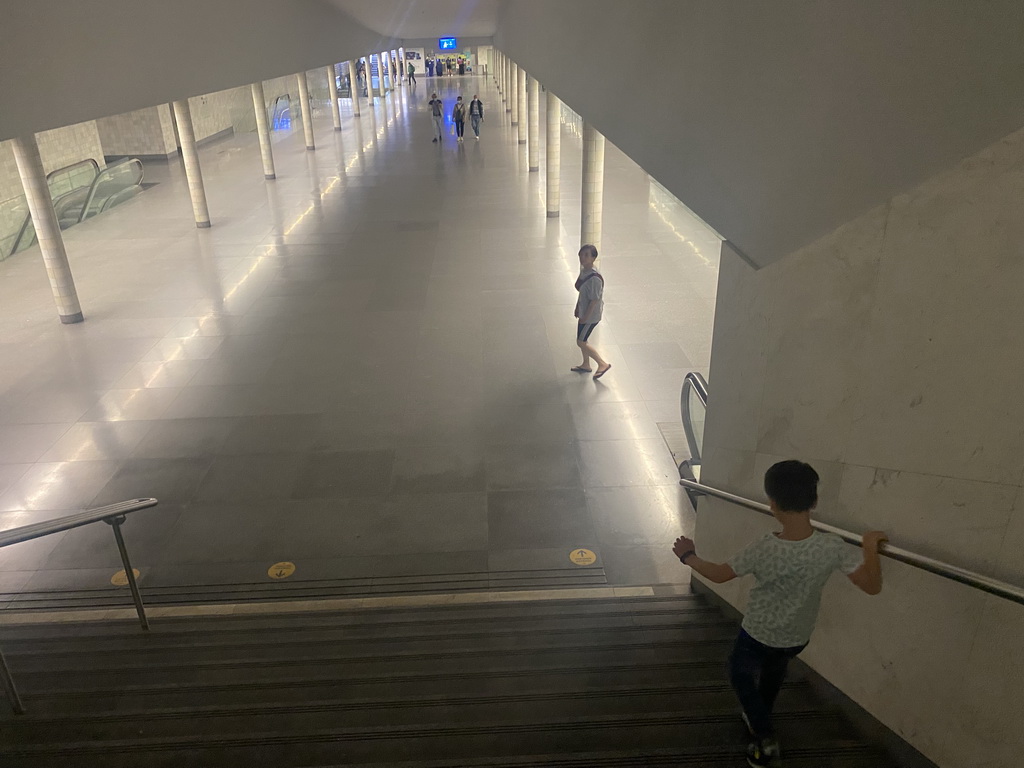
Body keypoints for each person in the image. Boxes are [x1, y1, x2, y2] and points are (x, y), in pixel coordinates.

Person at [671, 460, 887, 767]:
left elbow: (720, 574)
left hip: (758, 633)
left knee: (739, 674)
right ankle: (761, 713)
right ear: (814, 501)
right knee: (774, 671)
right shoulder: (832, 547)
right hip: (797, 635)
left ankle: (765, 737)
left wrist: (688, 556)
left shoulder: (765, 547)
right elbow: (871, 585)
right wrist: (869, 548)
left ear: (772, 504)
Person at [572, 244, 610, 379]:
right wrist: (578, 307)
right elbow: (583, 293)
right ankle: (586, 364)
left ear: (593, 258)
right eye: (581, 254)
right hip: (584, 311)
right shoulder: (584, 271)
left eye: (587, 255)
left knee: (581, 341)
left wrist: (585, 317)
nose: (583, 258)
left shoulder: (594, 278)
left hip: (590, 315)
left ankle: (602, 363)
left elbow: (594, 300)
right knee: (583, 339)